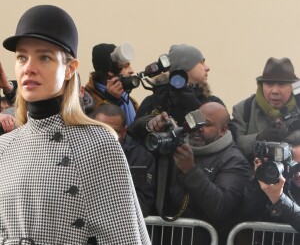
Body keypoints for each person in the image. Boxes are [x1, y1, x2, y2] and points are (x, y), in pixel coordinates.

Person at [0, 4, 150, 244]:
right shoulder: (4, 147)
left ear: (69, 69)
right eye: (21, 57)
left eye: (44, 57)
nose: (28, 68)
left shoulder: (99, 144)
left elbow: (124, 238)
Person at [132, 102, 251, 245]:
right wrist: (150, 123)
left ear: (223, 130)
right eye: (196, 121)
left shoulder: (234, 160)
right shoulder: (177, 141)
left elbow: (220, 206)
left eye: (206, 124)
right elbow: (130, 132)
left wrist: (190, 170)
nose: (198, 128)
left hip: (205, 239)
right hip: (165, 237)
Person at [135, 44, 225, 126]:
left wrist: (195, 106)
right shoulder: (154, 102)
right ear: (184, 67)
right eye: (201, 63)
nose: (207, 68)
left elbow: (224, 133)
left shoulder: (213, 104)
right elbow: (133, 137)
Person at [232, 57, 300, 162]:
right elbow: (236, 144)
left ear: (292, 86)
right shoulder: (243, 109)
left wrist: (288, 136)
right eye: (269, 84)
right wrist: (260, 137)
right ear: (261, 85)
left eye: (281, 84)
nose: (274, 91)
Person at [93, 104, 155, 217]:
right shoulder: (79, 152)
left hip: (123, 226)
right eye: (101, 130)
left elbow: (143, 205)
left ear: (124, 131)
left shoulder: (141, 157)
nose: (107, 137)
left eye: (114, 131)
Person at [241, 131, 300, 242]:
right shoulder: (276, 181)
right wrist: (259, 179)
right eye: (294, 166)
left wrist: (279, 199)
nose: (298, 174)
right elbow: (247, 213)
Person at [84, 42, 139, 125]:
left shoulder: (129, 100)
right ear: (110, 71)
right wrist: (110, 102)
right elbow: (90, 131)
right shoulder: (85, 99)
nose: (131, 71)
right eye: (125, 66)